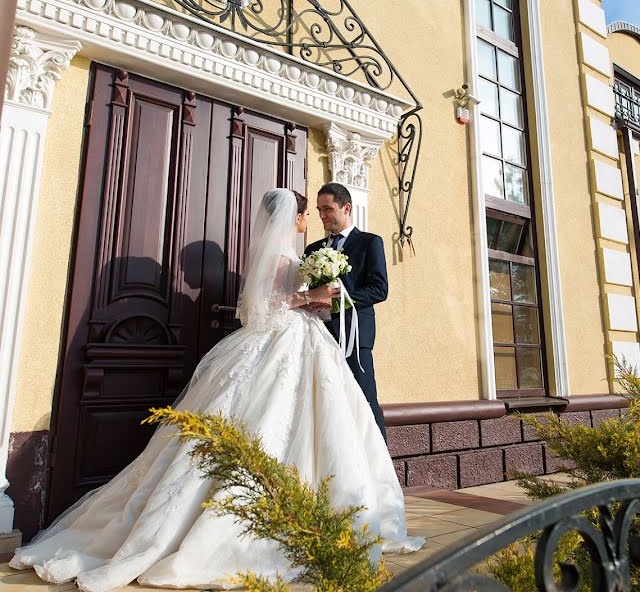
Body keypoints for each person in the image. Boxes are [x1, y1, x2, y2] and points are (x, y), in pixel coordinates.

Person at [10, 189, 424, 592]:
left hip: (312, 339)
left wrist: (315, 300)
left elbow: (336, 293)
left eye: (321, 210)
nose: (311, 219)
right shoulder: (288, 254)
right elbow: (264, 307)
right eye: (306, 213)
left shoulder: (313, 249)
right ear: (292, 218)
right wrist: (310, 297)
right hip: (286, 341)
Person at [305, 183, 388, 440]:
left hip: (355, 336)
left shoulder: (369, 242)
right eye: (319, 210)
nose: (322, 216)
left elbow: (379, 289)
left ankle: (381, 466)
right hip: (320, 336)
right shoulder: (312, 250)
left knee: (364, 398)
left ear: (346, 207)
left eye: (328, 209)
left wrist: (337, 300)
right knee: (327, 399)